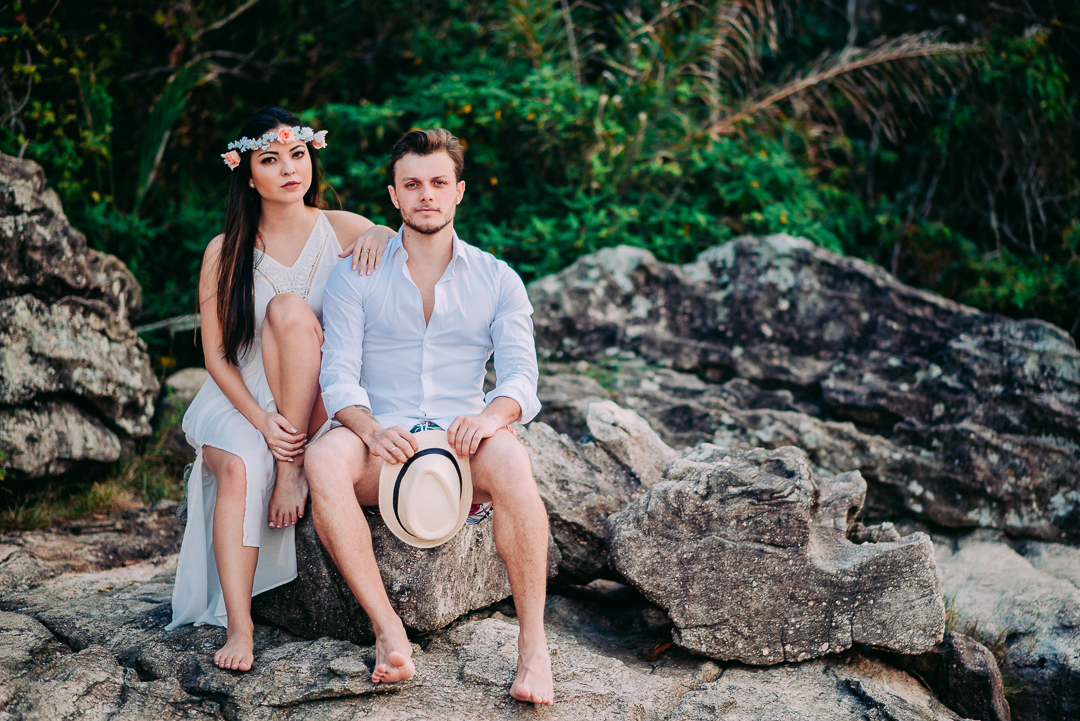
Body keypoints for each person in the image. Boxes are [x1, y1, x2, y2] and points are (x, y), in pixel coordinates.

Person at [305, 128, 554, 705]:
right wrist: (367, 427)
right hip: (381, 437)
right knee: (323, 458)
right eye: (412, 184)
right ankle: (388, 631)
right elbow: (338, 374)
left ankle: (534, 648)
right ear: (393, 196)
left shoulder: (497, 278)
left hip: (463, 439)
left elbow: (522, 378)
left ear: (459, 191)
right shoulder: (354, 274)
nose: (426, 195)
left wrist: (493, 417)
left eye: (439, 183)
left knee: (514, 462)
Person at [167, 107, 395, 673]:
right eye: (270, 160)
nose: (289, 169)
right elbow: (216, 354)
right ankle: (239, 628)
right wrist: (260, 420)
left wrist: (381, 232)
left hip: (314, 395)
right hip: (242, 397)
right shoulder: (224, 250)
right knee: (243, 464)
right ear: (249, 174)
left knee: (293, 312)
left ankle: (291, 466)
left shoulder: (343, 227)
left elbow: (401, 246)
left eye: (297, 155)